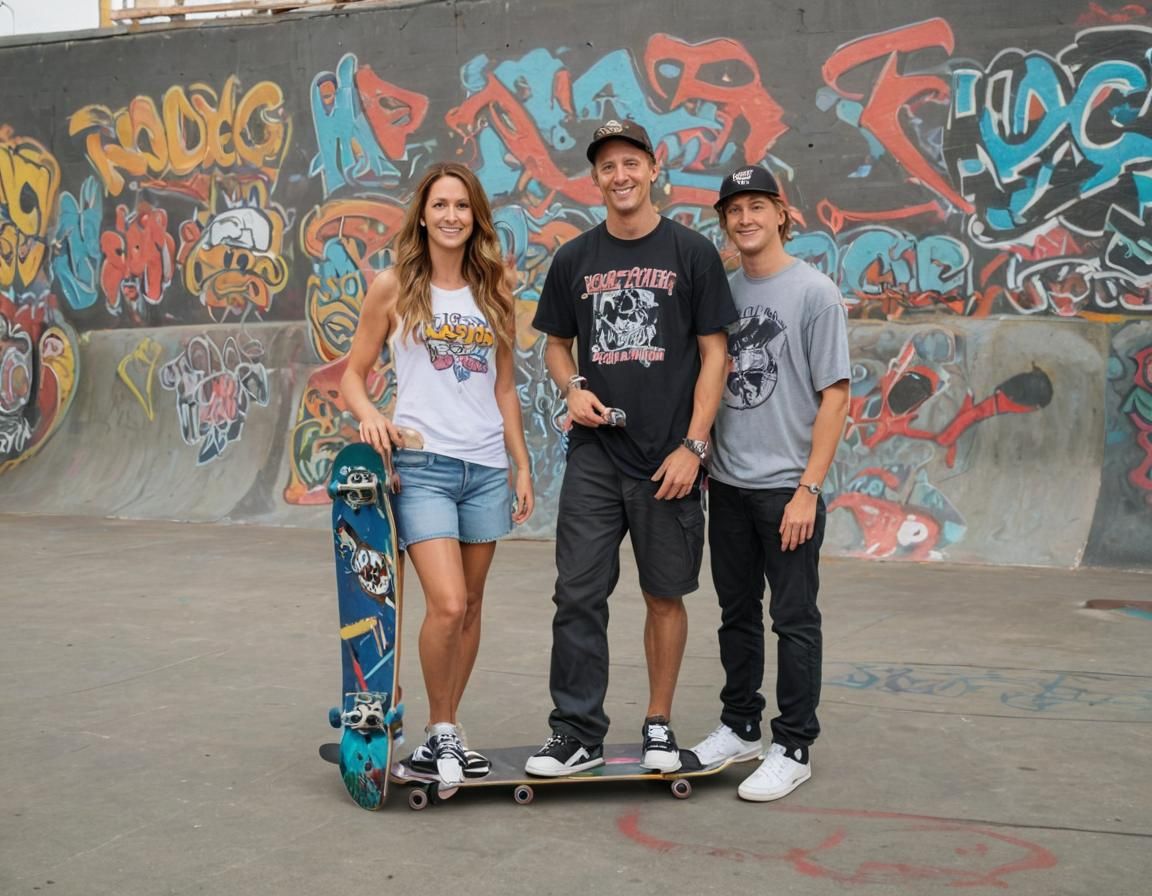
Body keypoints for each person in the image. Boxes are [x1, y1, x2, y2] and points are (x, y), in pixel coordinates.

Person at [524, 119, 736, 777]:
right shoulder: (575, 259)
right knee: (577, 593)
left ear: (653, 167)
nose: (620, 176)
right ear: (596, 177)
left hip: (668, 457)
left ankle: (659, 725)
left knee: (664, 595)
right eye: (608, 166)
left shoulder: (691, 253)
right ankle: (577, 730)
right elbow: (556, 343)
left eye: (630, 163)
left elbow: (715, 352)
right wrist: (571, 387)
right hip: (596, 452)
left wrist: (693, 447)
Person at [341, 162, 534, 787]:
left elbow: (504, 387)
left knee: (472, 606)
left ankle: (442, 732)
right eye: (440, 205)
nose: (451, 215)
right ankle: (434, 732)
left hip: (484, 468)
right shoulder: (392, 286)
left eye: (462, 206)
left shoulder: (495, 291)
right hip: (421, 467)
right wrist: (371, 415)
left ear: (475, 216)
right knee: (446, 605)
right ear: (422, 214)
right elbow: (352, 372)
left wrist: (521, 463)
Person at [688, 164, 850, 801]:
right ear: (725, 221)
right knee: (735, 614)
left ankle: (794, 744)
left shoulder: (815, 292)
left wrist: (808, 489)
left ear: (782, 213)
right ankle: (740, 725)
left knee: (794, 619)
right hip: (726, 485)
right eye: (735, 210)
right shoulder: (724, 295)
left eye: (758, 206)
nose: (746, 218)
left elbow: (834, 398)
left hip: (788, 489)